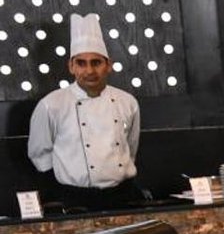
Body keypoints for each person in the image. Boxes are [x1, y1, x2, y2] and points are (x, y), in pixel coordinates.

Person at [27, 13, 144, 209]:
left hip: (123, 196)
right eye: (81, 63)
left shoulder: (128, 102)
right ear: (71, 66)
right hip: (74, 199)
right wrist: (64, 185)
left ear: (108, 65)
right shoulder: (51, 104)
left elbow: (131, 147)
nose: (89, 71)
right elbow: (40, 153)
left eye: (96, 62)